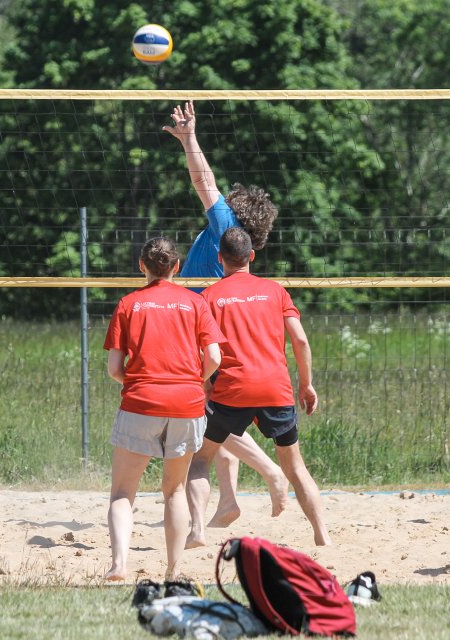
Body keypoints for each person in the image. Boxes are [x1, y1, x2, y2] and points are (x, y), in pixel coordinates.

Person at [163, 99, 288, 527]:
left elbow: (204, 181)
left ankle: (271, 472)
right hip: (217, 326)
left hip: (199, 328)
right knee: (216, 418)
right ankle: (228, 501)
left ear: (234, 212)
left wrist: (189, 138)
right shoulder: (238, 241)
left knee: (207, 419)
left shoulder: (224, 226)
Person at [186, 227, 331, 548]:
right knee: (295, 467)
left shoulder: (209, 296)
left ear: (220, 259)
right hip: (275, 389)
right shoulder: (275, 290)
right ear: (252, 256)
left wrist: (207, 384)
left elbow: (204, 351)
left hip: (231, 388)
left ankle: (197, 530)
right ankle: (322, 536)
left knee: (199, 460)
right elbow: (301, 340)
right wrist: (306, 385)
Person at [102, 237, 225, 581]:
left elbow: (114, 369)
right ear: (177, 268)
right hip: (186, 403)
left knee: (123, 492)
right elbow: (214, 357)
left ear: (142, 266)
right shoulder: (195, 302)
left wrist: (139, 381)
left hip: (141, 400)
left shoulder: (129, 303)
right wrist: (193, 380)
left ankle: (119, 565)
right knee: (173, 490)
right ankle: (173, 570)